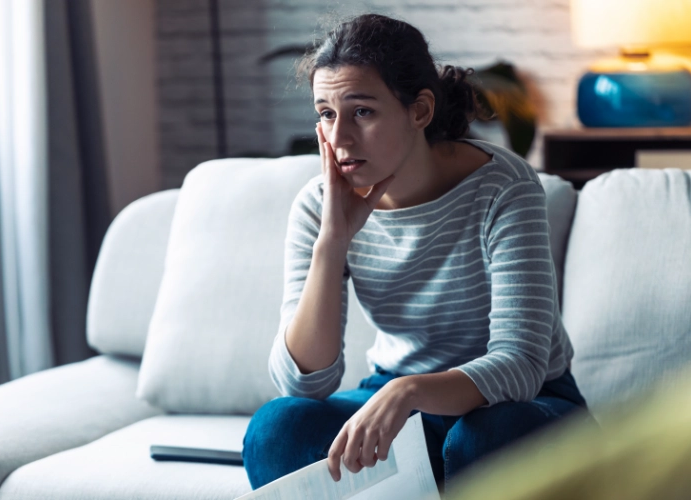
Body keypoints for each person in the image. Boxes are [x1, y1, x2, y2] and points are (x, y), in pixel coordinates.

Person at [242, 12, 589, 493]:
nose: (339, 138)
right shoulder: (318, 206)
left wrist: (408, 393)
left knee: (483, 436)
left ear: (420, 110)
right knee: (276, 430)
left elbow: (522, 365)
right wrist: (332, 242)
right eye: (326, 113)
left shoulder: (503, 188)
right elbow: (304, 385)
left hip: (520, 408)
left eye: (362, 111)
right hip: (399, 400)